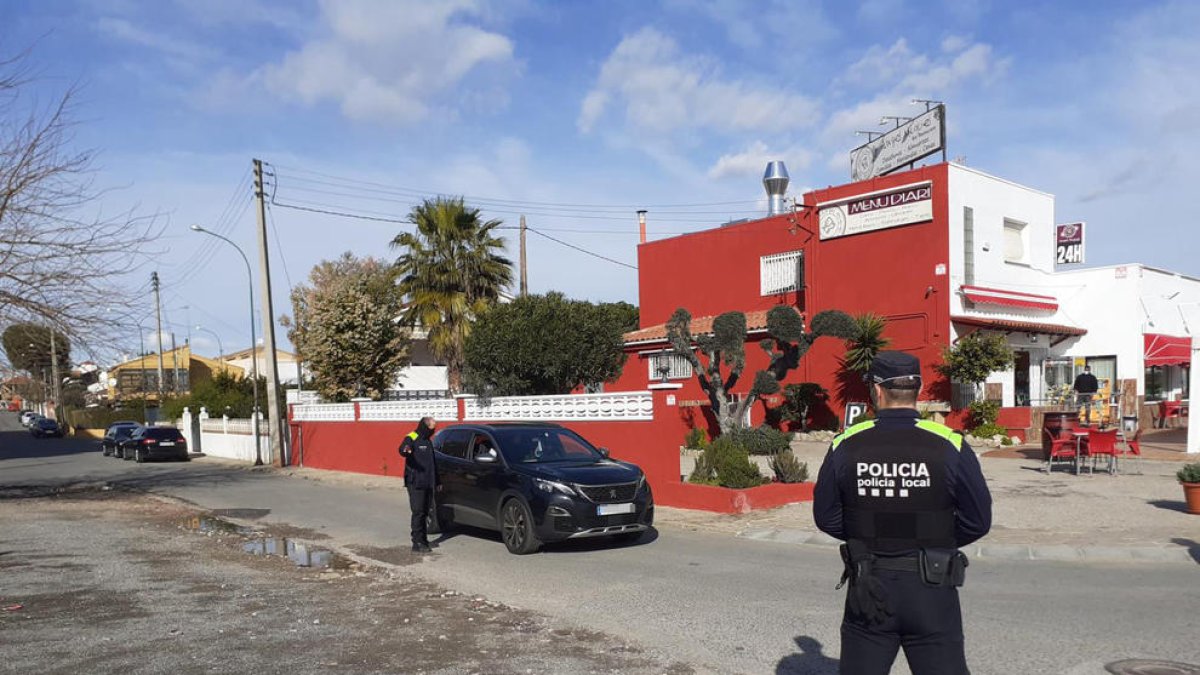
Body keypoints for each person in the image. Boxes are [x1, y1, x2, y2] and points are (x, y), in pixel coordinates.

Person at [813, 351, 992, 675]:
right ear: (919, 390)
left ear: (877, 391)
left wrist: (862, 533)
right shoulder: (950, 444)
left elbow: (826, 516)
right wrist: (937, 540)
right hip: (932, 589)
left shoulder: (846, 444)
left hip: (869, 587)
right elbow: (978, 520)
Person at [399, 416, 439, 553]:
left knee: (426, 512)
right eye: (432, 428)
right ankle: (416, 542)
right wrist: (406, 450)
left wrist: (437, 481)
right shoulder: (413, 436)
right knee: (418, 512)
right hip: (415, 481)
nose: (433, 431)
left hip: (428, 482)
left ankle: (423, 539)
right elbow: (402, 449)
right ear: (425, 426)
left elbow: (432, 464)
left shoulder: (428, 441)